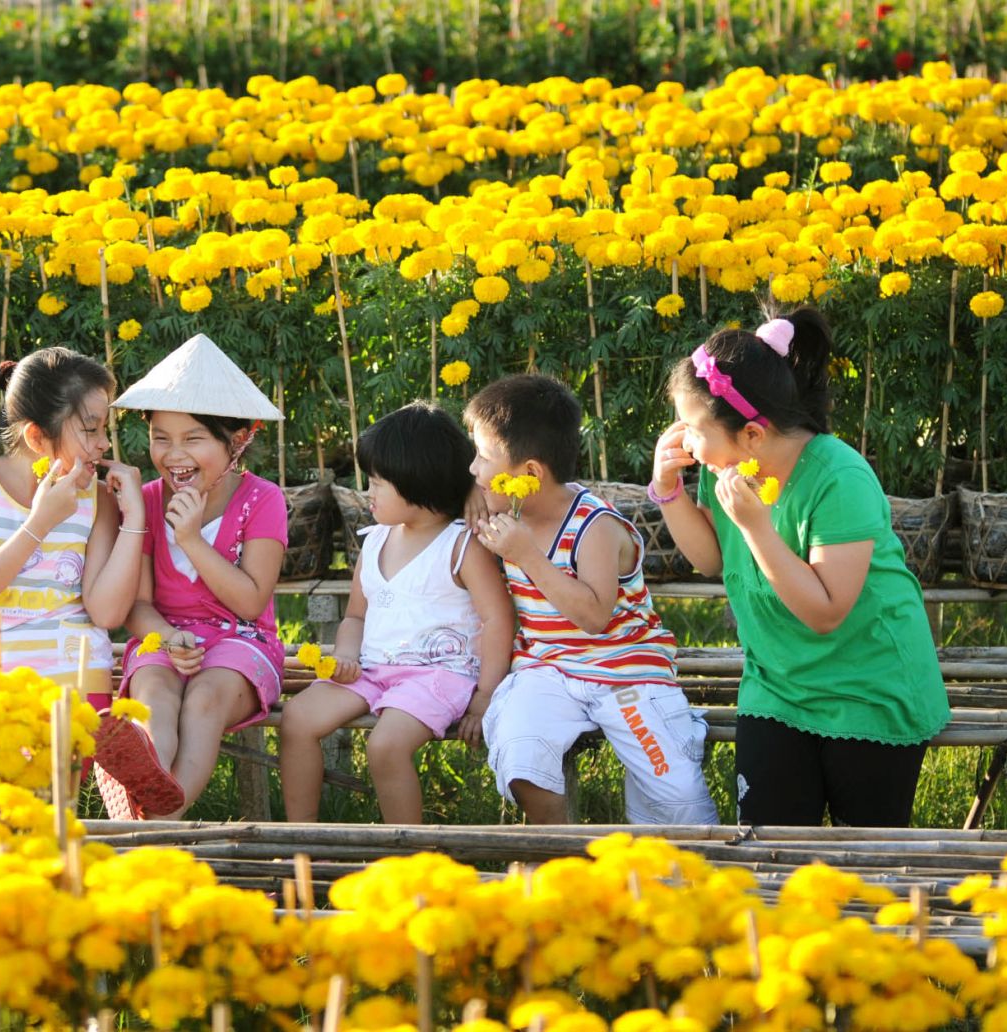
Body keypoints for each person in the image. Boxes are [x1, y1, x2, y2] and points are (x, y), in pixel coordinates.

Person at [651, 309, 949, 826]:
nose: (686, 443)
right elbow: (709, 560)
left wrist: (758, 528)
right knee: (771, 851)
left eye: (694, 430)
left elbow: (826, 611)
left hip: (869, 690)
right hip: (777, 686)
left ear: (751, 435)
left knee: (865, 865)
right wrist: (668, 490)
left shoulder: (840, 477)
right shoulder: (726, 467)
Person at [467, 374, 718, 826]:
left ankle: (684, 879)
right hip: (548, 668)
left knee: (675, 796)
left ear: (528, 475)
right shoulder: (509, 508)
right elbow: (456, 484)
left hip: (624, 670)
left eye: (483, 458)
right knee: (521, 754)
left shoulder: (594, 525)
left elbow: (594, 616)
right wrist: (476, 494)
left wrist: (527, 555)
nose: (473, 468)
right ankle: (561, 860)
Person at [0, 348, 180, 815]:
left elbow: (107, 612)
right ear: (35, 435)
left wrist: (134, 518)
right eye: (91, 429)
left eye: (104, 429)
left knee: (47, 793)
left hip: (69, 665)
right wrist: (39, 523)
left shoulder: (96, 498)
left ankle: (100, 736)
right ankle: (103, 740)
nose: (104, 444)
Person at [279, 403, 513, 824]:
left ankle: (406, 857)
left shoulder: (462, 546)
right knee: (296, 718)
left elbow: (498, 619)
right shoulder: (374, 542)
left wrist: (484, 696)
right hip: (372, 670)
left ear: (417, 484)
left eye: (377, 483)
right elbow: (354, 617)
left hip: (439, 675)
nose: (367, 493)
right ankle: (302, 840)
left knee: (385, 745)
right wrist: (346, 655)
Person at [112, 333, 288, 819]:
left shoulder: (262, 499)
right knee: (154, 699)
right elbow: (139, 607)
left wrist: (191, 538)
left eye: (193, 439)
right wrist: (169, 639)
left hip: (243, 641)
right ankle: (143, 783)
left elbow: (252, 601)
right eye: (160, 438)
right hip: (165, 639)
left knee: (204, 702)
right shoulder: (147, 500)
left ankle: (154, 828)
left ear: (236, 441)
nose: (174, 454)